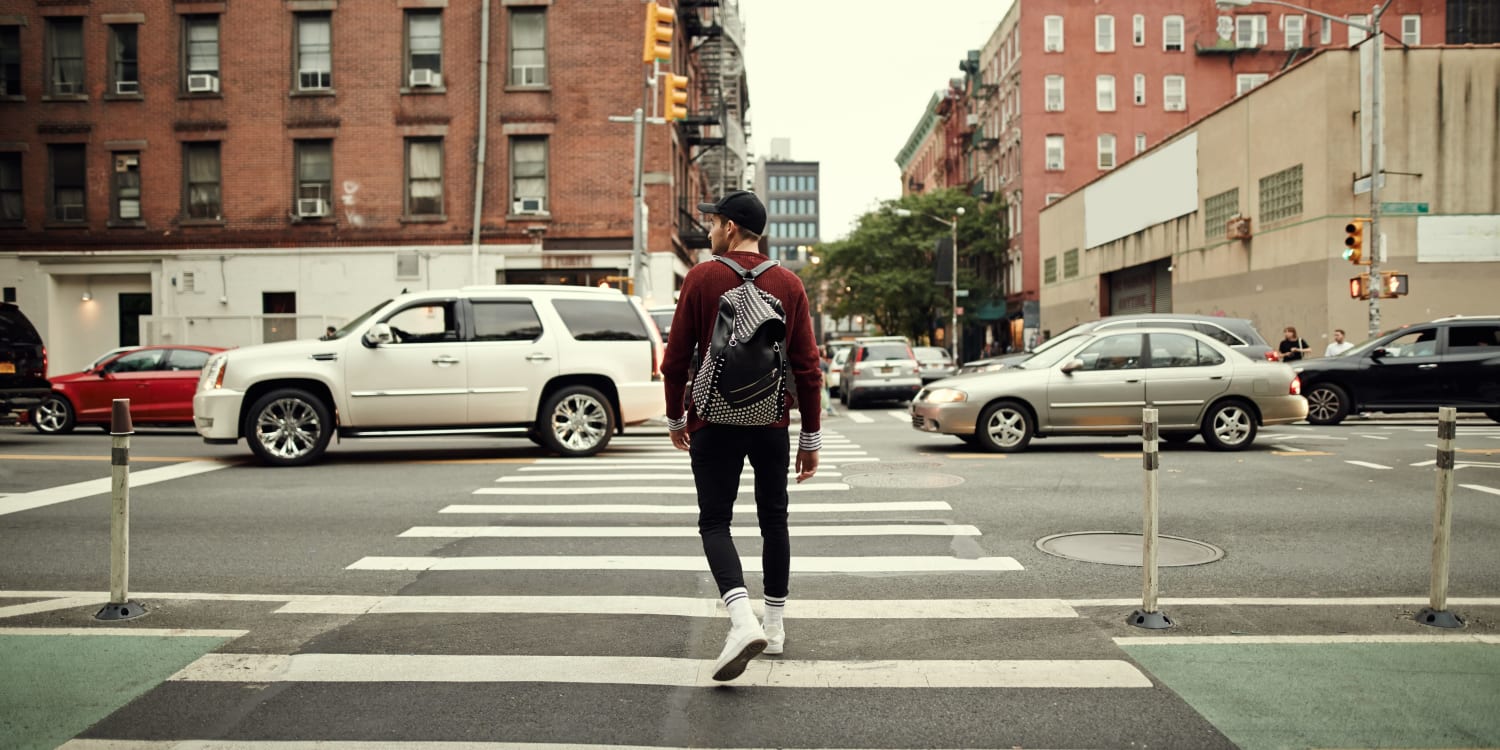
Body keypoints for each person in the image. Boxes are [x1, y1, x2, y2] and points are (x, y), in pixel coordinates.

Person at [661, 190, 823, 682]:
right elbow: (808, 368)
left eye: (713, 223)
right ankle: (772, 627)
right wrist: (809, 437)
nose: (709, 230)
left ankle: (740, 619)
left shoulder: (701, 277)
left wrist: (675, 419)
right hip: (770, 423)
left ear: (730, 228)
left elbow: (673, 361)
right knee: (774, 520)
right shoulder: (789, 283)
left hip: (712, 421)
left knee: (715, 522)